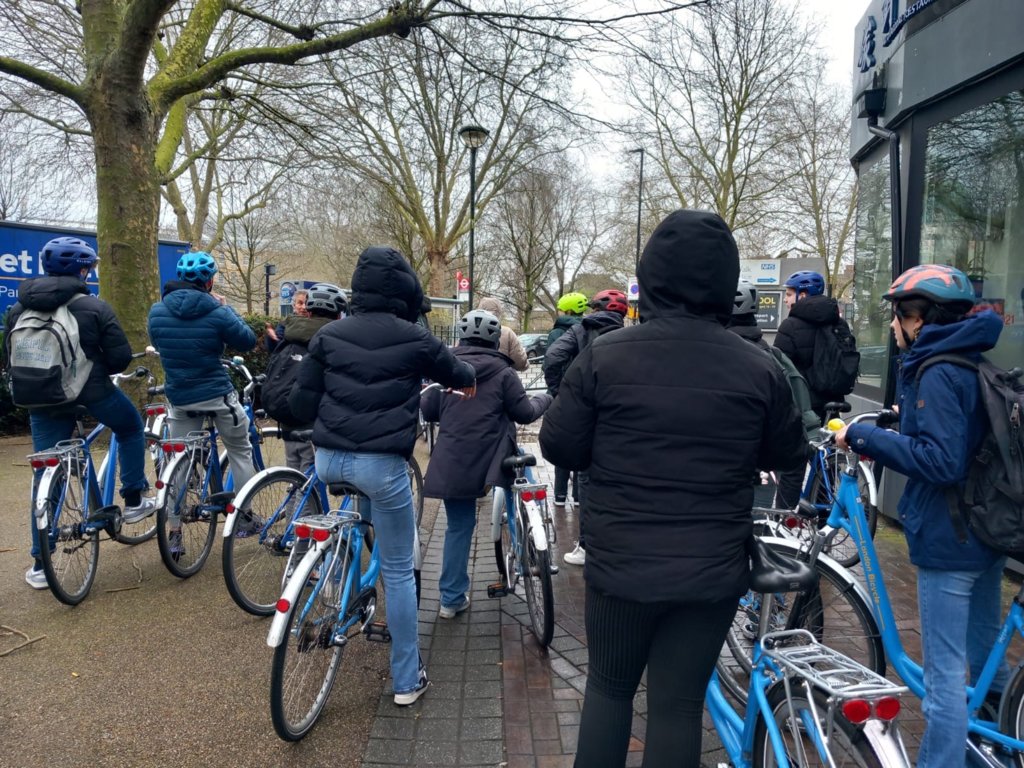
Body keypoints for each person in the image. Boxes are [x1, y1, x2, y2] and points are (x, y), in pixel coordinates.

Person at [540, 209, 806, 768]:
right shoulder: (759, 367)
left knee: (609, 689)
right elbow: (786, 454)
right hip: (710, 569)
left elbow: (559, 447)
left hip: (621, 562)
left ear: (652, 275)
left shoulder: (604, 355)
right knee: (679, 706)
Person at [288, 245, 476, 707]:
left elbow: (300, 402)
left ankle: (339, 584)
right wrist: (468, 379)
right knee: (398, 569)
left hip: (328, 460)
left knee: (354, 512)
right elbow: (457, 371)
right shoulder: (415, 338)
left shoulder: (329, 335)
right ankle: (408, 680)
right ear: (404, 291)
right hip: (382, 464)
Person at [836, 264, 1006, 768]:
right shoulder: (970, 358)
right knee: (985, 663)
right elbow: (961, 435)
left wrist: (865, 435)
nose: (892, 326)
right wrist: (899, 419)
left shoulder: (937, 369)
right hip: (984, 533)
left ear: (918, 318)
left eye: (896, 316)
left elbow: (941, 460)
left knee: (944, 681)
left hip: (949, 541)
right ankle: (994, 751)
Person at [5, 237, 159, 589]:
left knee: (47, 472)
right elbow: (119, 359)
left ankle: (41, 563)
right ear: (83, 270)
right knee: (130, 427)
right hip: (91, 393)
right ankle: (134, 499)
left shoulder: (18, 309)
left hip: (39, 398)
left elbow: (8, 357)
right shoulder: (94, 307)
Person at [421, 309, 551, 619]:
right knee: (521, 483)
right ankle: (526, 549)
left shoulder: (447, 369)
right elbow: (524, 413)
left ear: (461, 337)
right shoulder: (504, 372)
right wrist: (547, 398)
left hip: (455, 458)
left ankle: (451, 599)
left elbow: (428, 409)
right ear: (495, 341)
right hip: (497, 456)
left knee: (458, 526)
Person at [147, 251, 258, 548]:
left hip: (180, 397)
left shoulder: (157, 311)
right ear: (209, 281)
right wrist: (227, 308)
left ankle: (174, 531)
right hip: (216, 395)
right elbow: (247, 340)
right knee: (240, 450)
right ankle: (244, 517)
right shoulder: (218, 311)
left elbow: (158, 344)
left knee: (179, 460)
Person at [543, 288, 628, 566]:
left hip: (586, 412)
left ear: (594, 309)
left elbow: (553, 357)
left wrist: (559, 391)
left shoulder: (580, 330)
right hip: (619, 413)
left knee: (586, 477)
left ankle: (586, 545)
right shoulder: (630, 335)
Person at [772, 270, 853, 507]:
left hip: (802, 408)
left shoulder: (790, 326)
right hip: (832, 406)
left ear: (803, 295)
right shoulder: (839, 323)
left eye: (789, 294)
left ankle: (785, 519)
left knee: (792, 465)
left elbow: (778, 369)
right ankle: (825, 516)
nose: (786, 300)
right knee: (827, 463)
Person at [262, 283, 346, 472]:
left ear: (309, 312)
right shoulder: (333, 338)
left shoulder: (290, 329)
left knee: (293, 467)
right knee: (309, 470)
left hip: (284, 408)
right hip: (311, 417)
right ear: (338, 316)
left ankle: (292, 488)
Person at [544, 291, 589, 512]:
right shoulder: (590, 329)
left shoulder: (557, 333)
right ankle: (579, 496)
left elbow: (550, 362)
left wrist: (555, 391)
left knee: (563, 443)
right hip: (585, 395)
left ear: (568, 310)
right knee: (583, 443)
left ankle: (560, 495)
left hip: (563, 395)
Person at [476, 297, 529, 371]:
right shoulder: (507, 333)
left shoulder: (468, 331)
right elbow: (520, 363)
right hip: (500, 375)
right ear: (499, 313)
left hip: (473, 376)